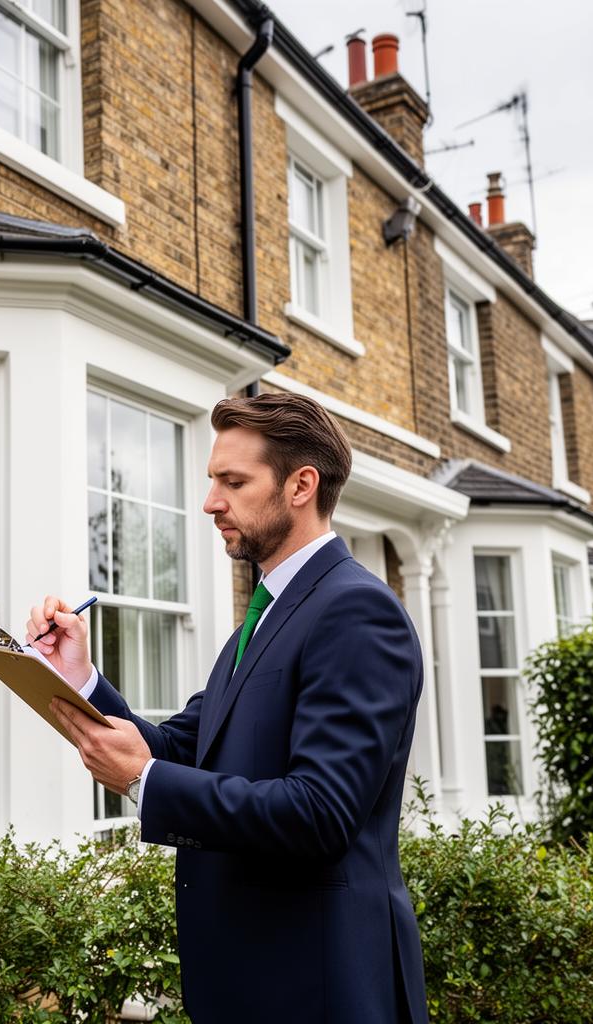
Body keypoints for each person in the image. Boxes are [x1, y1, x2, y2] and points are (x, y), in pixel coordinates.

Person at [26, 392, 429, 1024]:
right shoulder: (269, 613)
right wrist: (79, 676)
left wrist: (141, 780)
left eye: (233, 482)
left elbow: (320, 815)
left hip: (318, 990)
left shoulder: (357, 611)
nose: (212, 502)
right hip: (246, 986)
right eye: (214, 481)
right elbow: (187, 746)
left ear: (302, 485)